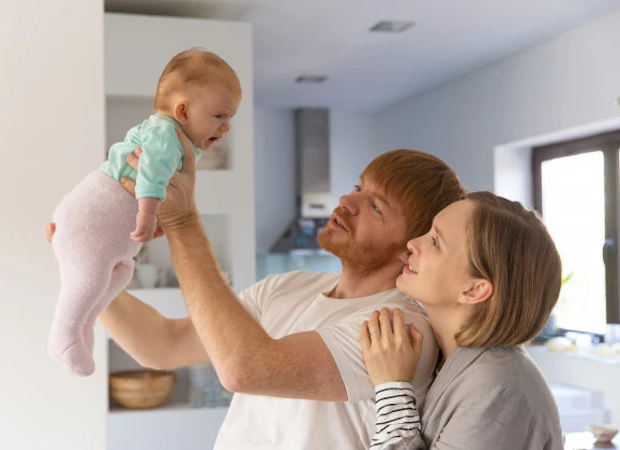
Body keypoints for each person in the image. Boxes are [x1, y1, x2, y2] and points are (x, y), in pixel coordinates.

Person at [47, 141, 465, 448]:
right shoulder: (289, 286)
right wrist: (88, 269)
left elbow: (244, 369)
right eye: (358, 186)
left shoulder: (398, 329)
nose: (347, 200)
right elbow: (164, 345)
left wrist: (184, 222)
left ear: (410, 245)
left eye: (375, 206)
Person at [48, 49, 241, 376]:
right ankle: (63, 334)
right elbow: (150, 174)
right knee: (92, 274)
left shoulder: (179, 143)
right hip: (91, 217)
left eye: (230, 119)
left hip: (102, 226)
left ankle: (84, 323)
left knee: (119, 274)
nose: (226, 128)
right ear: (183, 110)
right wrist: (148, 214)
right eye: (219, 116)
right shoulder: (166, 133)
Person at [360, 191, 564, 449]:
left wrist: (393, 390)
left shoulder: (497, 391)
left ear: (474, 290)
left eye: (435, 241)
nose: (412, 242)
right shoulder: (448, 360)